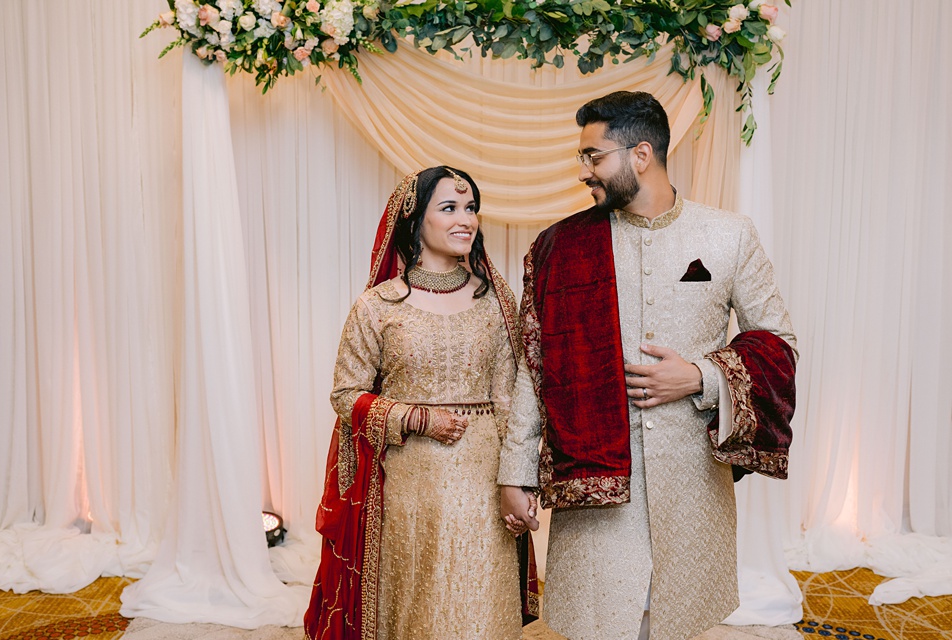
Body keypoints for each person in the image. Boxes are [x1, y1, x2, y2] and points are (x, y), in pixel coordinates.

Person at [498, 91, 798, 640]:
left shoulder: (728, 235)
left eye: (594, 156)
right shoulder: (559, 247)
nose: (584, 171)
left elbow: (778, 343)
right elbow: (532, 367)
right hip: (593, 480)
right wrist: (515, 472)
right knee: (598, 622)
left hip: (692, 482)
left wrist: (703, 377)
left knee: (676, 621)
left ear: (640, 154)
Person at [304, 166, 538, 640]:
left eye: (470, 208)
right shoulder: (378, 305)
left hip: (482, 481)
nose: (465, 219)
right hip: (407, 484)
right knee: (419, 604)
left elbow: (512, 398)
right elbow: (345, 394)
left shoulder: (495, 300)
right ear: (415, 221)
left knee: (480, 605)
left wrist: (519, 479)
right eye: (449, 207)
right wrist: (415, 417)